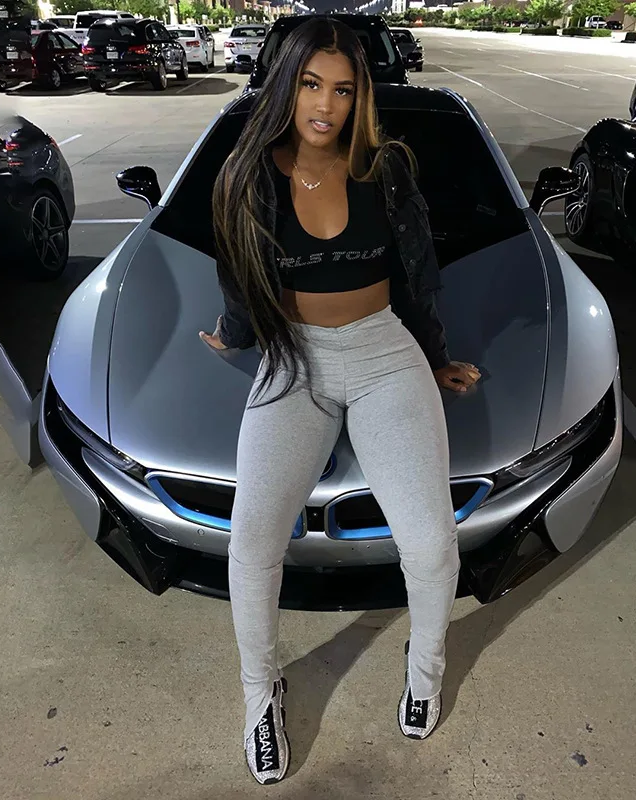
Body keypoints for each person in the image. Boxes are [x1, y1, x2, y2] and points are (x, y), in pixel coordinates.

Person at [199, 15, 481, 785]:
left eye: (344, 90)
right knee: (252, 546)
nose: (326, 105)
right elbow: (238, 276)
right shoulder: (246, 176)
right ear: (285, 86)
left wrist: (436, 359)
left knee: (431, 544)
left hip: (385, 353)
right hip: (295, 358)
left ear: (361, 98)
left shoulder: (385, 169)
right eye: (311, 85)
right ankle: (261, 696)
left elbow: (416, 276)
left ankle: (425, 671)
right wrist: (232, 335)